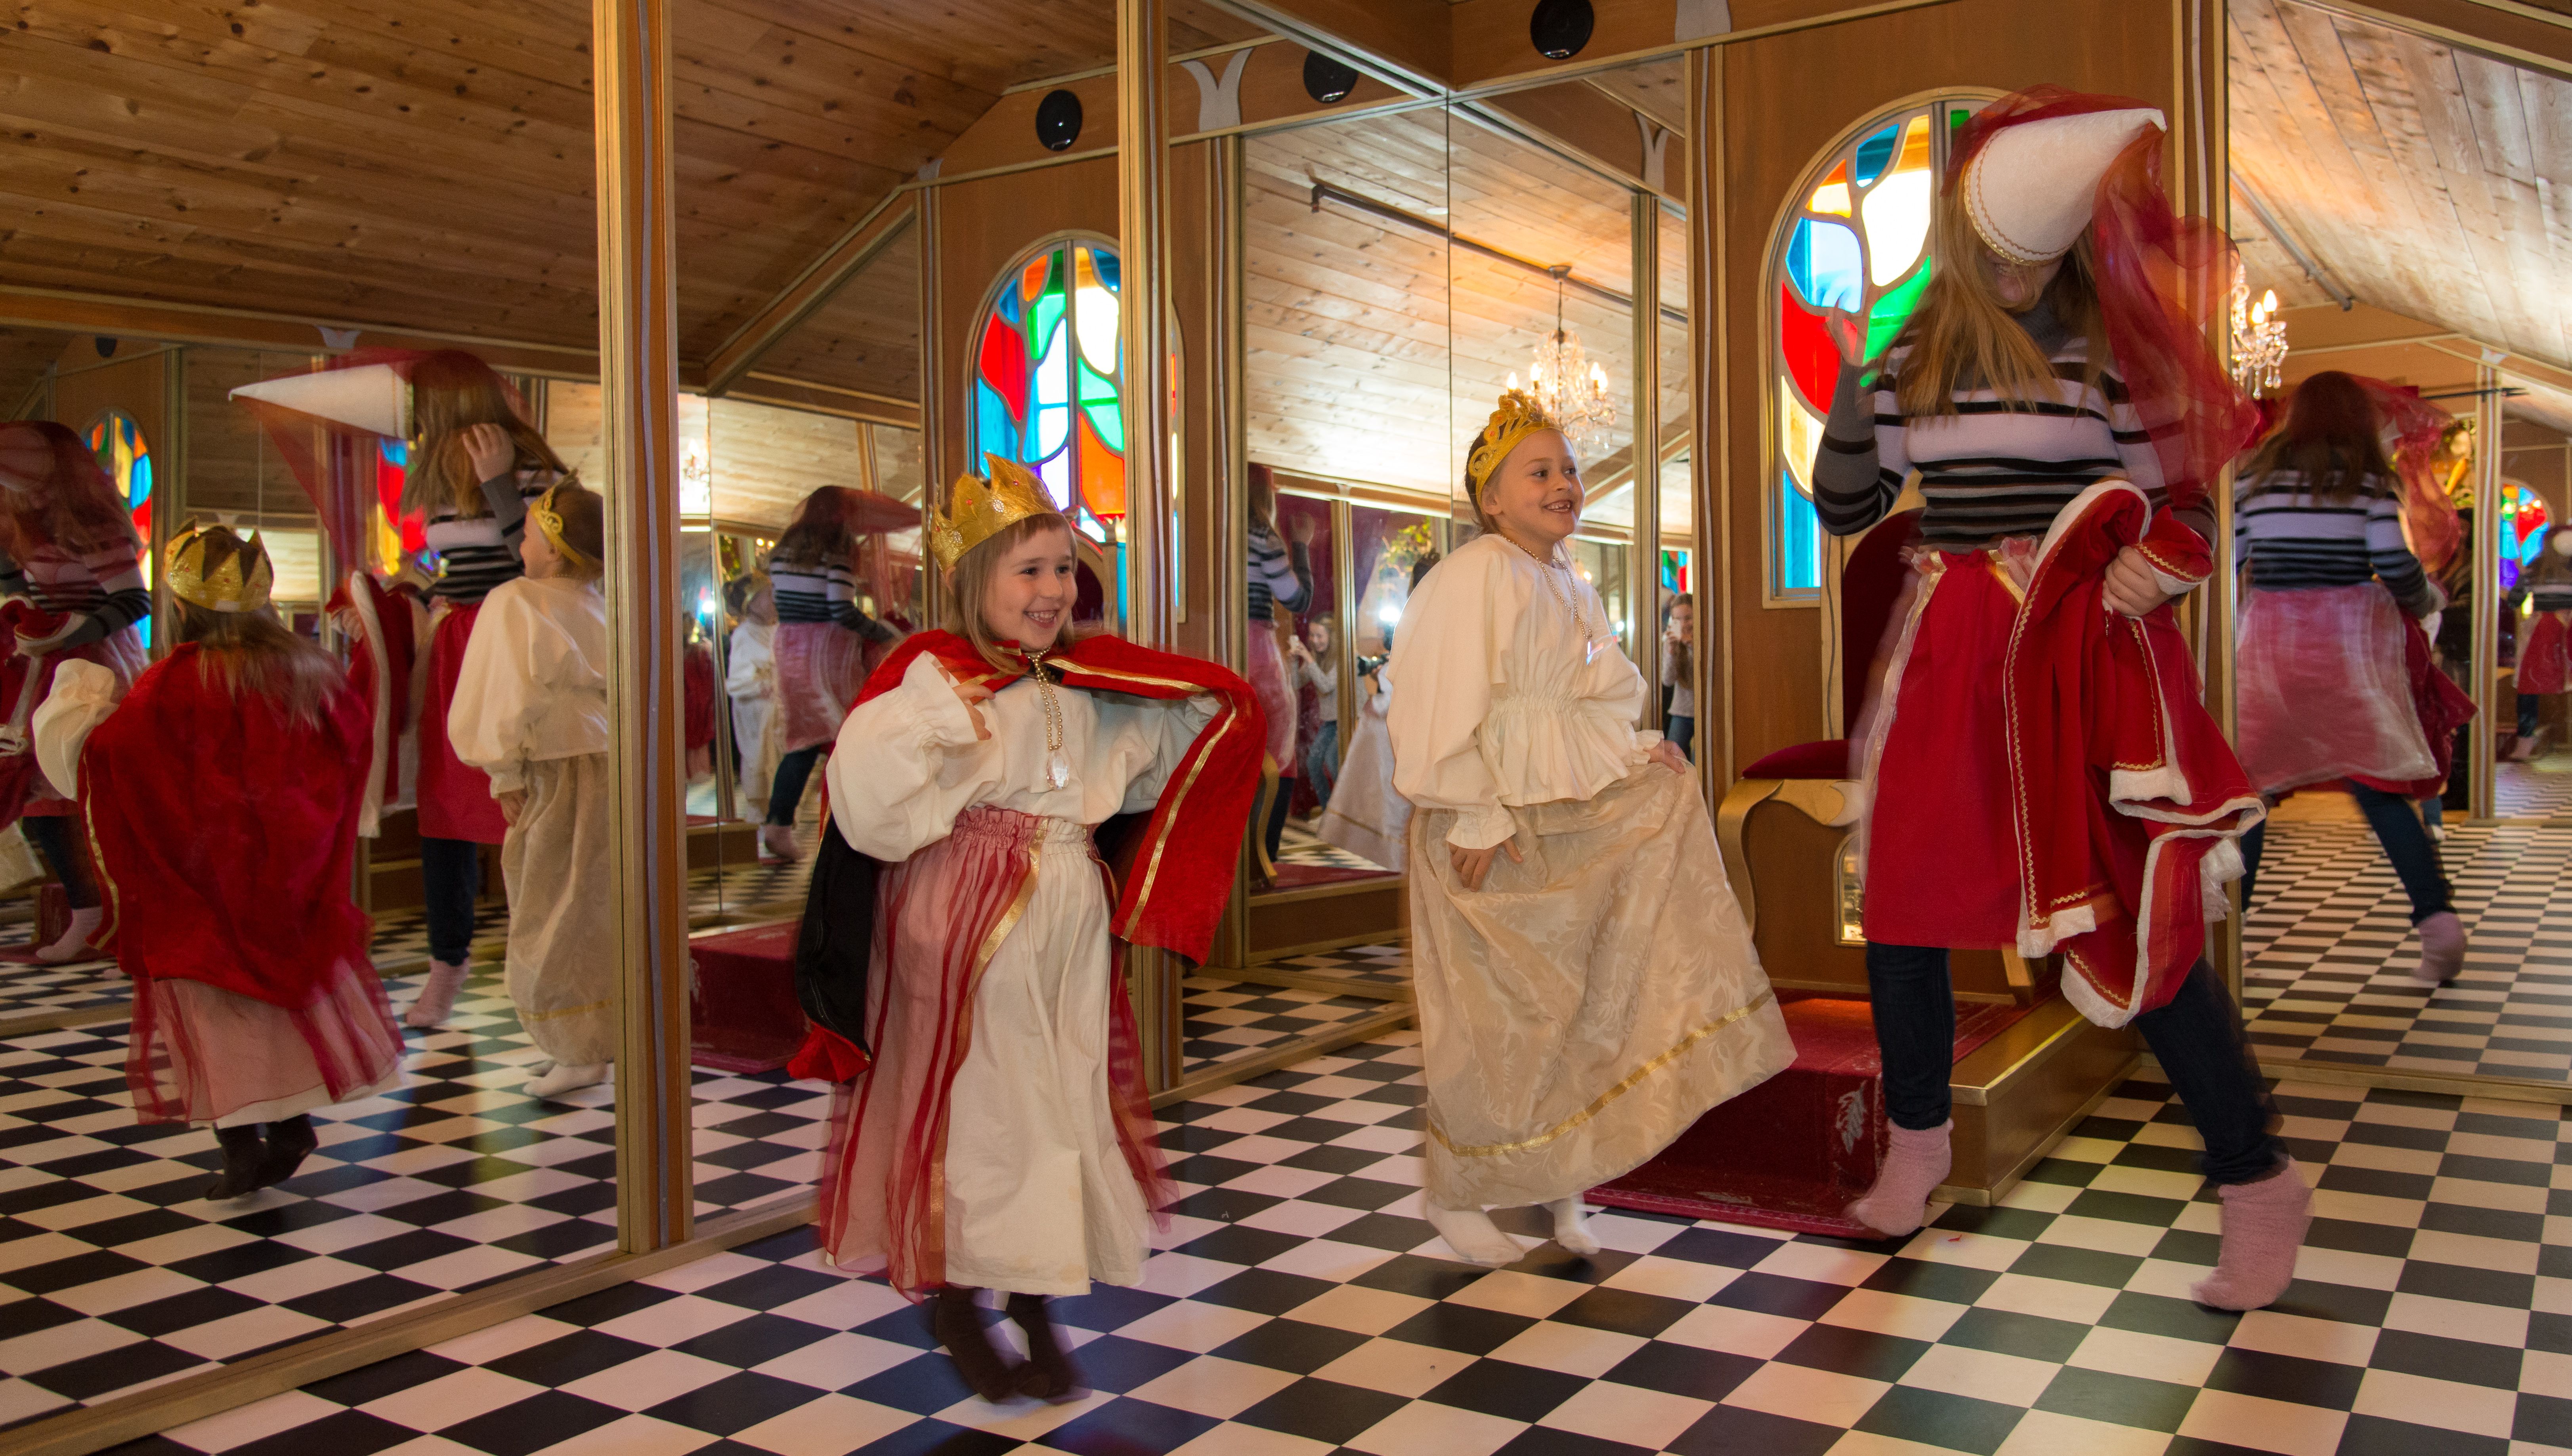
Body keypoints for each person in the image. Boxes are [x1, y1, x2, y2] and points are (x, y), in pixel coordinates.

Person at [1810, 89, 2302, 1311]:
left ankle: (2254, 1176)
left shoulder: (2110, 354)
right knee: (1906, 906)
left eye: (2035, 251)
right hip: (1950, 650)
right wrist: (1852, 381)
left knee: (2133, 917)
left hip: (2077, 654)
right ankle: (1917, 1143)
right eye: (1995, 251)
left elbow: (2186, 507)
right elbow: (1850, 506)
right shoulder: (1916, 354)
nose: (2015, 275)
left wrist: (2161, 564)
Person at [793, 457, 1259, 1403]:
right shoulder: (936, 676)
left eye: (1062, 569)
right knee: (985, 1106)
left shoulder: (1080, 680)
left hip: (1063, 910)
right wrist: (936, 714)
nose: (1054, 590)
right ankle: (960, 1294)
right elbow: (866, 795)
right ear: (974, 581)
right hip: (966, 915)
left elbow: (1140, 766)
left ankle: (1037, 1293)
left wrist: (1188, 705)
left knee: (1060, 1095)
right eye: (1030, 570)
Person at [1391, 391, 1794, 1269]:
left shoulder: (1570, 580)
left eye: (1569, 469)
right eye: (1538, 471)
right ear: (1491, 499)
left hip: (1568, 807)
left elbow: (1599, 693)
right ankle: (1455, 1190)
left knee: (1572, 999)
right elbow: (1434, 696)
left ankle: (1562, 1172)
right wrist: (1474, 807)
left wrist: (1636, 748)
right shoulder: (1477, 573)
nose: (1562, 483)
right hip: (1494, 814)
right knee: (1497, 1014)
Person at [33, 525, 399, 1199]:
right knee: (277, 1015)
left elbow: (113, 758)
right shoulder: (307, 670)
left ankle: (241, 1149)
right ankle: (288, 1127)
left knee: (214, 1022)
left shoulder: (176, 682)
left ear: (181, 606)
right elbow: (347, 754)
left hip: (201, 884)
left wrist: (76, 706)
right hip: (287, 876)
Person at [2234, 371, 2471, 984]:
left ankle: (2230, 943)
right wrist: (2424, 599)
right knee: (2379, 789)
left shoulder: (2252, 481)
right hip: (2345, 645)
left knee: (2250, 795)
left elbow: (2229, 560)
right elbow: (2392, 561)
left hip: (2269, 646)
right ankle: (2438, 923)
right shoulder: (2367, 480)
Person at [399, 354, 576, 1030]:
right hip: (456, 644)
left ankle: (554, 970)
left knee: (529, 805)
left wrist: (500, 482)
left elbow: (548, 561)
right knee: (443, 813)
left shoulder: (530, 465)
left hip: (513, 641)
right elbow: (460, 565)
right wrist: (415, 592)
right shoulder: (437, 465)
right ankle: (447, 964)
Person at [447, 483, 615, 1100]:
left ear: (553, 548)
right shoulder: (602, 603)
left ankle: (577, 1047)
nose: (520, 546)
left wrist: (505, 773)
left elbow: (503, 689)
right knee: (594, 902)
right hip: (605, 760)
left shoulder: (515, 601)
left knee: (549, 903)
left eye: (526, 535)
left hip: (551, 765)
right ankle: (590, 1037)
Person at [0, 421, 151, 964]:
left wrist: (65, 633)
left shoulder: (92, 521)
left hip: (95, 663)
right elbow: (20, 585)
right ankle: (90, 914)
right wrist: (23, 610)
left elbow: (134, 600)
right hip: (46, 663)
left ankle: (113, 916)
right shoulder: (24, 517)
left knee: (84, 787)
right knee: (41, 789)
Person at [764, 487, 906, 863]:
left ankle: (779, 823)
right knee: (848, 734)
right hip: (826, 652)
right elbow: (840, 609)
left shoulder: (784, 552)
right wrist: (882, 633)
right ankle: (852, 828)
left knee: (802, 741)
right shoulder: (835, 552)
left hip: (790, 647)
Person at [1318, 555, 1435, 872]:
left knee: (1401, 795)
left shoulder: (1419, 620)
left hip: (1409, 717)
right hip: (1413, 716)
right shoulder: (1425, 619)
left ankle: (1404, 858)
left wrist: (1385, 690)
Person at [1246, 465, 1316, 866]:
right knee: (1280, 748)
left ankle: (1241, 860)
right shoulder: (1261, 535)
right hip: (1256, 647)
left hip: (1221, 646)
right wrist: (1301, 544)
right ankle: (1263, 857)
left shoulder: (1215, 534)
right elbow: (1298, 599)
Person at [724, 572, 781, 822]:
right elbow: (737, 681)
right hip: (757, 712)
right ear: (753, 603)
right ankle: (759, 819)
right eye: (768, 596)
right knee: (759, 765)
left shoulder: (778, 630)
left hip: (779, 712)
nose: (774, 599)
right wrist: (759, 686)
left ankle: (780, 820)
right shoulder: (744, 635)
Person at [1291, 618, 1340, 805]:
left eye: (1320, 636)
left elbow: (1326, 686)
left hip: (1348, 720)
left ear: (1332, 637)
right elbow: (1297, 683)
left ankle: (1344, 813)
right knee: (1313, 763)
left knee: (1333, 762)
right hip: (1330, 721)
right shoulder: (1317, 657)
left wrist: (1309, 659)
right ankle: (1329, 811)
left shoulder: (1342, 656)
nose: (1314, 640)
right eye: (1312, 635)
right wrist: (1294, 661)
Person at [1661, 594, 1697, 763]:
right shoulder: (1671, 642)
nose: (1683, 624)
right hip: (1681, 710)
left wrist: (1691, 645)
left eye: (1688, 618)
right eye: (1677, 620)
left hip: (1705, 711)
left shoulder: (1706, 638)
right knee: (1673, 760)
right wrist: (1671, 652)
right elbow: (1667, 680)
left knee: (1701, 762)